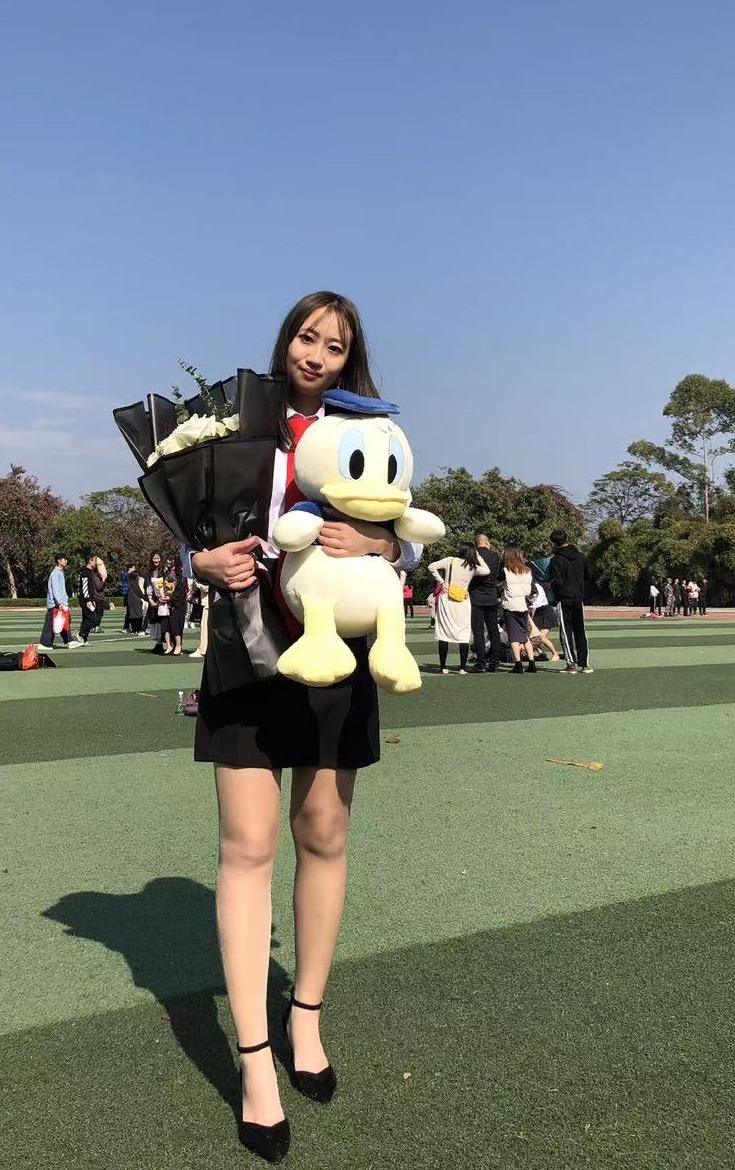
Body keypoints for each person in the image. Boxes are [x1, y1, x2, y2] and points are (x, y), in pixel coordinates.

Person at [189, 290, 420, 1162]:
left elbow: (408, 533)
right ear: (285, 339)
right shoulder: (235, 427)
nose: (316, 354)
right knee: (246, 848)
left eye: (334, 343)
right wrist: (198, 560)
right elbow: (194, 529)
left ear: (351, 357)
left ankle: (306, 1017)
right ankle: (254, 1064)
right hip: (245, 655)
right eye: (305, 336)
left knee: (323, 831)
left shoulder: (371, 427)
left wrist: (385, 548)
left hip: (337, 656)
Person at [427, 547, 479, 673]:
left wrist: (442, 582)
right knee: (464, 634)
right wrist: (478, 556)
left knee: (444, 632)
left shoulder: (450, 560)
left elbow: (431, 567)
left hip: (447, 598)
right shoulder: (473, 567)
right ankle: (462, 668)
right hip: (462, 600)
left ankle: (443, 667)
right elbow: (487, 570)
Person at [550, 529, 592, 673]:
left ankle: (571, 664)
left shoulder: (555, 560)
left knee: (565, 631)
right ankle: (584, 664)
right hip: (578, 597)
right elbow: (588, 576)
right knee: (580, 630)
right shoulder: (580, 556)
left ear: (553, 543)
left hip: (564, 598)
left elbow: (557, 581)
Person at [468, 534, 504, 673]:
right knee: (493, 630)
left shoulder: (472, 556)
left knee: (478, 631)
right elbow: (500, 575)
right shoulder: (495, 556)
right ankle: (494, 662)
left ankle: (480, 662)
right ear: (487, 543)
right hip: (491, 596)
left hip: (476, 596)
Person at [501, 548, 538, 673]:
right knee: (524, 635)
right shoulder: (527, 570)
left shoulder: (505, 570)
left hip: (510, 605)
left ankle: (518, 663)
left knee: (513, 636)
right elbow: (530, 590)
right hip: (523, 605)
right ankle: (532, 662)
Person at [40, 553, 74, 649]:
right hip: (55, 603)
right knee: (51, 623)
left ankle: (69, 641)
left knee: (63, 621)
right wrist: (59, 603)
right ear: (59, 561)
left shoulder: (60, 572)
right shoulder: (55, 573)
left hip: (59, 603)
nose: (66, 561)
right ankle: (45, 643)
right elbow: (56, 589)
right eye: (64, 559)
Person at [74, 553, 105, 645]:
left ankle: (84, 638)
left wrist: (92, 599)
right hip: (85, 599)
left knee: (86, 618)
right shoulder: (85, 572)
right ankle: (81, 634)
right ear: (90, 561)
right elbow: (85, 588)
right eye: (94, 560)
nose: (96, 563)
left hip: (89, 598)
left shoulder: (89, 572)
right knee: (92, 618)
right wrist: (88, 600)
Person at [124, 564, 146, 635]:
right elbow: (139, 592)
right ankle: (139, 629)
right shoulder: (135, 583)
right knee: (139, 615)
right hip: (136, 600)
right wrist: (144, 597)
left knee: (132, 615)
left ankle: (134, 629)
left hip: (130, 599)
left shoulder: (129, 583)